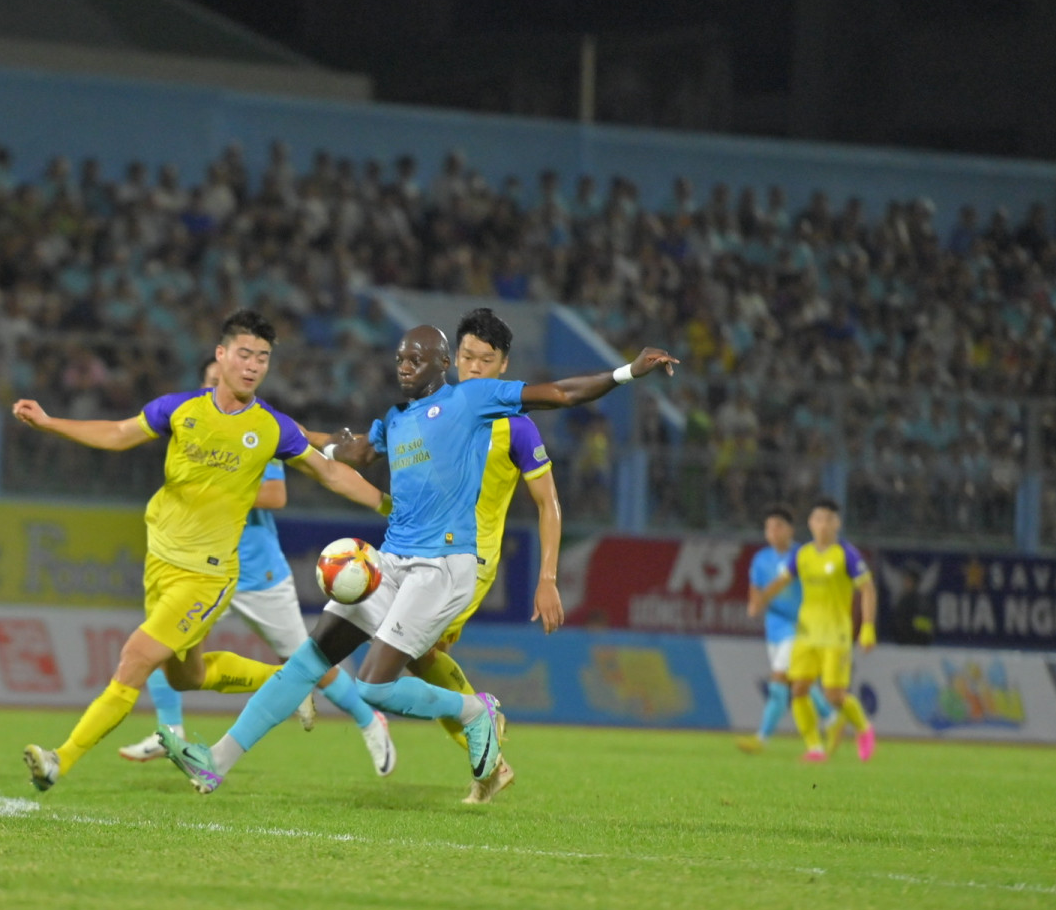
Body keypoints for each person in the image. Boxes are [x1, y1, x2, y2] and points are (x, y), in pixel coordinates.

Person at [158, 324, 678, 796]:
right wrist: (288, 442)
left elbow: (561, 394)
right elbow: (356, 452)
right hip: (393, 561)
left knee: (373, 686)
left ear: (440, 364)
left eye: (414, 359)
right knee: (309, 660)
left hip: (445, 564)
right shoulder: (395, 420)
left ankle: (476, 711)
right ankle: (215, 762)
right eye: (400, 359)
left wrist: (628, 371)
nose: (403, 366)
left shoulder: (473, 399)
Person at [12, 309, 389, 793]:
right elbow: (120, 433)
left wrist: (386, 504)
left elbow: (331, 473)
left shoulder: (273, 428)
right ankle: (289, 683)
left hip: (206, 575)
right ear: (221, 355)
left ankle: (58, 759)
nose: (253, 365)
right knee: (188, 675)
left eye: (264, 358)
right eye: (245, 354)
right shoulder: (180, 409)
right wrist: (49, 423)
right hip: (161, 563)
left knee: (135, 657)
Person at [118, 361, 396, 777]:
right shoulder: (195, 428)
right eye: (210, 380)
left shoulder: (255, 431)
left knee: (309, 661)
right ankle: (168, 729)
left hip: (259, 575)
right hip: (203, 570)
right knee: (162, 643)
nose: (217, 386)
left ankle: (368, 719)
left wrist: (214, 485)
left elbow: (275, 494)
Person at [409, 307, 564, 804]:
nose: (474, 367)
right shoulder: (435, 410)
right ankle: (488, 761)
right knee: (424, 658)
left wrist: (548, 577)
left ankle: (483, 730)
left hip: (469, 563)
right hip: (427, 550)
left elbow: (549, 504)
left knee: (410, 651)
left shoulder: (516, 427)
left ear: (504, 366)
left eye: (486, 360)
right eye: (467, 357)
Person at [757, 498, 877, 763]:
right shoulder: (803, 555)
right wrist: (762, 598)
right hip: (806, 633)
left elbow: (867, 589)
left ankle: (864, 729)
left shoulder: (846, 554)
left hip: (836, 634)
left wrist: (867, 627)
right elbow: (783, 580)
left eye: (827, 519)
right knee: (798, 689)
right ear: (810, 524)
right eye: (817, 519)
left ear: (837, 523)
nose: (822, 525)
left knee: (833, 694)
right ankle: (815, 747)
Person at [734, 505, 833, 753]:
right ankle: (832, 718)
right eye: (768, 527)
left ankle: (762, 738)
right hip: (775, 627)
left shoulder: (803, 555)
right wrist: (753, 605)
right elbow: (755, 588)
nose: (772, 531)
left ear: (790, 529)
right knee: (797, 682)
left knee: (779, 679)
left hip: (800, 627)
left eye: (778, 526)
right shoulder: (761, 559)